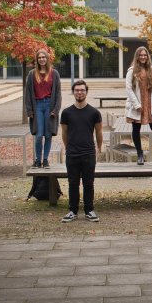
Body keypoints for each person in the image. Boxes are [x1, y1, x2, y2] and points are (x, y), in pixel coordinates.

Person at [60, 80, 103, 223]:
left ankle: (89, 210)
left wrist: (99, 147)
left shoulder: (94, 113)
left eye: (82, 90)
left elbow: (99, 132)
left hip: (88, 153)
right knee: (73, 183)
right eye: (77, 90)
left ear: (86, 92)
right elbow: (64, 133)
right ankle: (72, 211)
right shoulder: (66, 113)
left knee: (88, 183)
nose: (79, 92)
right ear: (73, 92)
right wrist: (68, 147)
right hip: (72, 153)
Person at [125, 46, 152, 165]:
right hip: (138, 105)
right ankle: (140, 155)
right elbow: (128, 88)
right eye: (140, 55)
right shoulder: (131, 71)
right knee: (136, 130)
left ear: (147, 56)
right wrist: (136, 104)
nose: (143, 57)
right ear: (137, 56)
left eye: (145, 55)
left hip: (150, 104)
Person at [25, 48, 62, 169]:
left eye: (43, 57)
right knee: (39, 135)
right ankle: (37, 160)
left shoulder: (54, 73)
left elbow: (58, 94)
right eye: (39, 57)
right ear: (37, 59)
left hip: (49, 105)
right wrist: (29, 110)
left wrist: (56, 110)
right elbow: (28, 93)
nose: (42, 59)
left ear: (47, 59)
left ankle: (45, 160)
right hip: (37, 106)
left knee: (48, 134)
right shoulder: (31, 74)